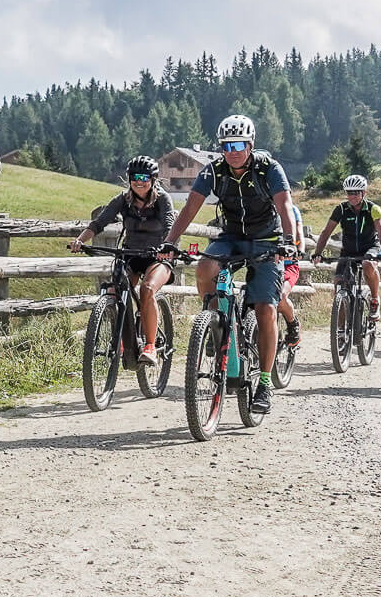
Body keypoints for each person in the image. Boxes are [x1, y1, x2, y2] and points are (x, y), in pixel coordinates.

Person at [161, 114, 294, 417]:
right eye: (226, 145)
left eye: (239, 144)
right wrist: (170, 241)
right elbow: (189, 208)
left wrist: (289, 242)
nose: (232, 151)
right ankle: (215, 324)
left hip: (267, 239)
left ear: (251, 144)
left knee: (265, 309)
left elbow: (285, 205)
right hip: (231, 236)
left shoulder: (268, 168)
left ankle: (263, 383)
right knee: (205, 267)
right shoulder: (214, 171)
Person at [71, 156, 176, 365]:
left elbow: (169, 225)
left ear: (153, 179)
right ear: (129, 179)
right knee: (113, 290)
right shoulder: (123, 200)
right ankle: (119, 337)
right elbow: (99, 222)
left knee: (147, 290)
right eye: (135, 177)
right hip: (131, 255)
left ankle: (150, 347)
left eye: (144, 177)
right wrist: (80, 240)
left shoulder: (163, 199)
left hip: (158, 257)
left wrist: (168, 248)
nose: (139, 182)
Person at [311, 174, 381, 322]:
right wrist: (317, 253)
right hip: (348, 250)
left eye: (356, 192)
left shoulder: (373, 209)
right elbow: (326, 232)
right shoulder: (341, 209)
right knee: (338, 284)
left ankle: (374, 299)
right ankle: (340, 330)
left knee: (368, 264)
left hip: (370, 247)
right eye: (349, 192)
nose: (352, 196)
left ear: (363, 193)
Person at [276, 189, 306, 351]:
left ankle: (293, 324)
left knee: (280, 296)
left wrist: (298, 250)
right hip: (266, 263)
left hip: (288, 265)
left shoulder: (292, 210)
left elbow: (299, 233)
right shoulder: (261, 208)